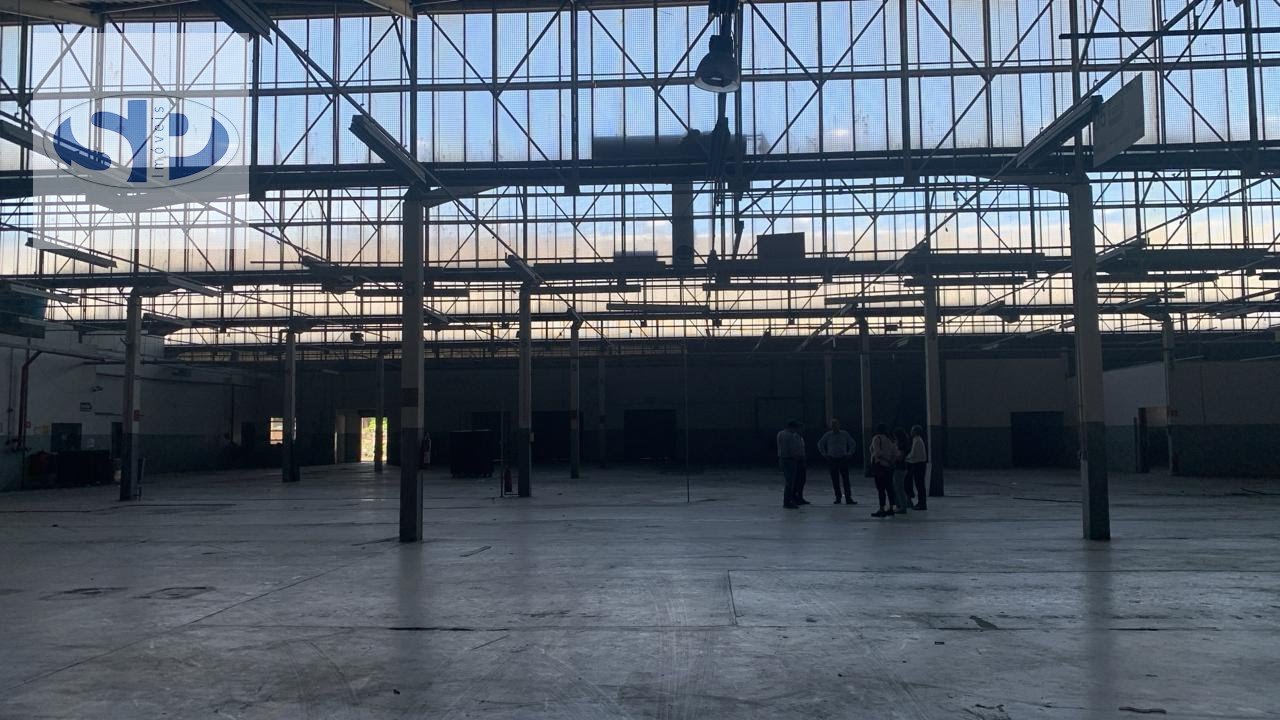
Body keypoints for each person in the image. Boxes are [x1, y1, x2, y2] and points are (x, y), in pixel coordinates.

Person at [818, 418, 857, 505]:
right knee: (835, 479)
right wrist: (824, 454)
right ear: (830, 426)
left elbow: (852, 443)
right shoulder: (827, 435)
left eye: (835, 425)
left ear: (839, 425)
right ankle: (838, 497)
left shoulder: (844, 434)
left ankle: (848, 497)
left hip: (843, 458)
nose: (834, 427)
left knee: (845, 479)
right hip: (832, 459)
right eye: (833, 425)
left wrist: (850, 453)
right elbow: (820, 444)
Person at [868, 424, 899, 517]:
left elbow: (877, 453)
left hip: (879, 466)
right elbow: (895, 453)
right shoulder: (889, 440)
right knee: (889, 487)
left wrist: (884, 459)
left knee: (880, 488)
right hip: (889, 467)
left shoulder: (876, 438)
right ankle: (891, 508)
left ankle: (882, 508)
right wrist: (891, 461)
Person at [776, 420, 806, 509]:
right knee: (790, 482)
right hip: (790, 460)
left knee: (789, 481)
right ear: (793, 427)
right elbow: (792, 450)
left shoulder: (780, 434)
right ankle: (787, 502)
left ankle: (788, 500)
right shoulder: (790, 436)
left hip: (782, 459)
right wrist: (798, 457)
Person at [906, 425, 928, 510]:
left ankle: (922, 504)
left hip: (919, 465)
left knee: (920, 485)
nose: (911, 432)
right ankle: (921, 502)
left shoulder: (917, 441)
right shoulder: (918, 440)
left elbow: (913, 454)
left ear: (915, 432)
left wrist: (905, 458)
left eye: (912, 430)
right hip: (920, 464)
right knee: (920, 485)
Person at [891, 427, 911, 514]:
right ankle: (902, 505)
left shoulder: (901, 445)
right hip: (902, 468)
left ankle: (903, 507)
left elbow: (900, 457)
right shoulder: (904, 444)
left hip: (900, 468)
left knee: (899, 488)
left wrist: (892, 458)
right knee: (899, 487)